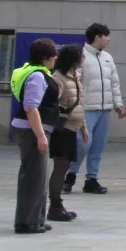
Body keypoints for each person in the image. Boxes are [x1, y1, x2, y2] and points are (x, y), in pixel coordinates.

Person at [67, 22, 125, 194]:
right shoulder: (80, 56)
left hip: (104, 109)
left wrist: (118, 104)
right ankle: (71, 174)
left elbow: (114, 83)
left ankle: (92, 179)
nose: (108, 39)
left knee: (98, 146)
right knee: (83, 143)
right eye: (106, 36)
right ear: (97, 36)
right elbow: (74, 83)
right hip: (86, 109)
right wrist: (74, 105)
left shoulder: (107, 57)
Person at [10, 37, 60, 234]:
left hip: (34, 129)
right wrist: (40, 135)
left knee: (38, 176)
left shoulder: (39, 74)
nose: (55, 60)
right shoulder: (37, 77)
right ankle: (27, 222)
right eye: (53, 56)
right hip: (31, 130)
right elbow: (31, 107)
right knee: (32, 176)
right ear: (46, 58)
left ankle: (36, 219)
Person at [48, 45, 88, 224]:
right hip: (61, 129)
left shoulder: (75, 77)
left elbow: (78, 104)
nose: (84, 60)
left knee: (64, 167)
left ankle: (57, 205)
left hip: (72, 128)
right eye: (81, 57)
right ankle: (54, 206)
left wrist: (83, 128)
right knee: (60, 167)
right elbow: (53, 104)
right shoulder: (58, 78)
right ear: (73, 59)